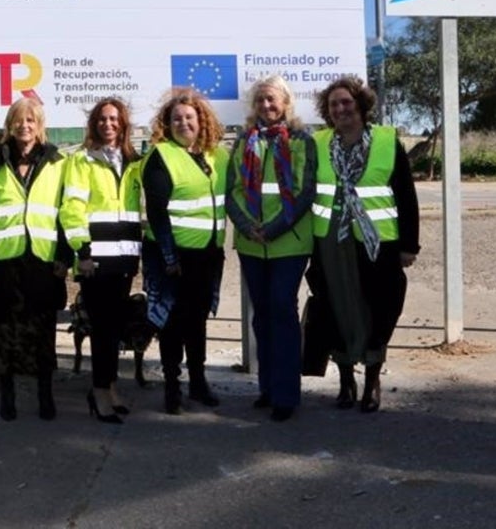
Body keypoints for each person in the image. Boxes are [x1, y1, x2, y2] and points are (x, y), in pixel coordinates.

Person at [312, 75, 420, 413]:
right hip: (331, 241)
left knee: (381, 309)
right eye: (333, 105)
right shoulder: (317, 144)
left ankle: (372, 378)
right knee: (336, 308)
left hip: (379, 243)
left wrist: (408, 245)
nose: (340, 109)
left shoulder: (387, 141)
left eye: (346, 102)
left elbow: (405, 195)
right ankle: (346, 380)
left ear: (360, 104)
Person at [0, 98, 71, 421]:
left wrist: (65, 257)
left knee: (42, 333)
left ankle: (45, 394)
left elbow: (66, 215)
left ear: (39, 126)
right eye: (18, 120)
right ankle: (7, 396)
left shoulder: (58, 163)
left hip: (42, 261)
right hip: (2, 262)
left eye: (31, 120)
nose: (24, 126)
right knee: (3, 333)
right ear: (9, 125)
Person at [225, 75, 317, 422]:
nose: (266, 106)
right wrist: (248, 227)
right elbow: (231, 190)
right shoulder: (243, 142)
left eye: (272, 100)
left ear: (286, 103)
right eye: (261, 100)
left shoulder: (301, 141)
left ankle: (286, 394)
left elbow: (305, 191)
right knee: (261, 315)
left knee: (282, 309)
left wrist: (275, 228)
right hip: (251, 243)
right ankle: (267, 387)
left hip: (288, 243)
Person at [141, 88, 229, 415]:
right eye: (176, 118)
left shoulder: (217, 156)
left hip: (207, 254)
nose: (183, 123)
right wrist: (168, 256)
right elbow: (157, 211)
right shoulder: (161, 156)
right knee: (173, 322)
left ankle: (198, 381)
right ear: (168, 123)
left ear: (201, 120)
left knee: (197, 321)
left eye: (189, 117)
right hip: (172, 256)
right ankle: (171, 385)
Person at [59, 97, 143, 424]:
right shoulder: (82, 161)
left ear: (123, 124)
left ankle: (110, 387)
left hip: (124, 259)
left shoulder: (133, 161)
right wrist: (83, 252)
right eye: (102, 119)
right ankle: (98, 392)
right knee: (102, 329)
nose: (108, 124)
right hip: (95, 261)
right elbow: (72, 209)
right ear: (94, 124)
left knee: (116, 327)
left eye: (114, 119)